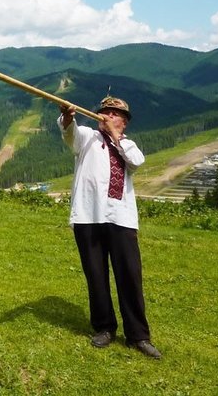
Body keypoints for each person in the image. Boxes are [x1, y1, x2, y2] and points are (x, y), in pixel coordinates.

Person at [58, 95, 161, 359]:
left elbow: (136, 162)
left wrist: (116, 135)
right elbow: (70, 135)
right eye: (105, 111)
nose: (107, 116)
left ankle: (138, 335)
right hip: (88, 216)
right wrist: (68, 117)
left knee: (129, 276)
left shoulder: (129, 145)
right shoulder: (87, 137)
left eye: (114, 114)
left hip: (122, 218)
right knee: (96, 274)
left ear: (124, 122)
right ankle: (104, 327)